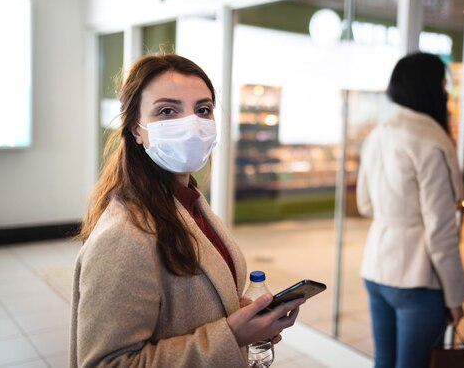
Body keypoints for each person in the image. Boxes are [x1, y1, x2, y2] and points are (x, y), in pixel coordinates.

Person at [69, 53, 303, 367]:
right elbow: (107, 363)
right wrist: (230, 336)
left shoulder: (190, 204)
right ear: (136, 129)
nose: (192, 125)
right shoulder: (123, 236)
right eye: (167, 111)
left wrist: (239, 316)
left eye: (203, 110)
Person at [357, 52, 464, 368]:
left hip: (376, 267)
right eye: (444, 83)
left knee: (384, 360)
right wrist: (455, 296)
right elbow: (440, 230)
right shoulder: (432, 142)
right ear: (431, 88)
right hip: (417, 277)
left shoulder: (377, 135)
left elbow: (365, 204)